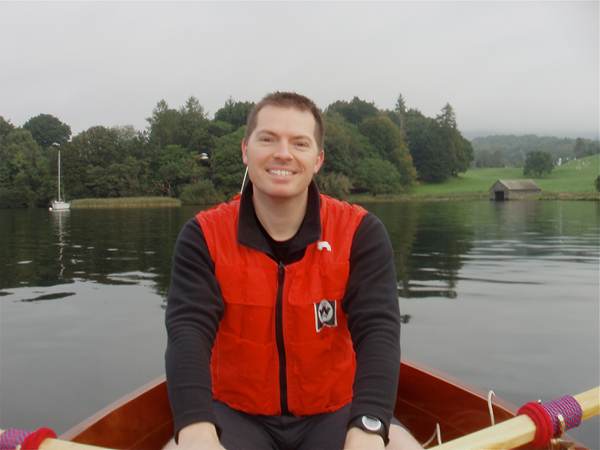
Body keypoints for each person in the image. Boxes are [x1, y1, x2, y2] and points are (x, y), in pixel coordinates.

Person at [164, 92, 423, 450]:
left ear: (317, 160)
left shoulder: (360, 232)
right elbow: (187, 331)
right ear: (245, 151)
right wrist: (194, 428)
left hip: (337, 411)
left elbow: (379, 330)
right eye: (267, 139)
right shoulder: (203, 235)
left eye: (299, 143)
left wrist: (368, 427)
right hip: (235, 415)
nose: (282, 153)